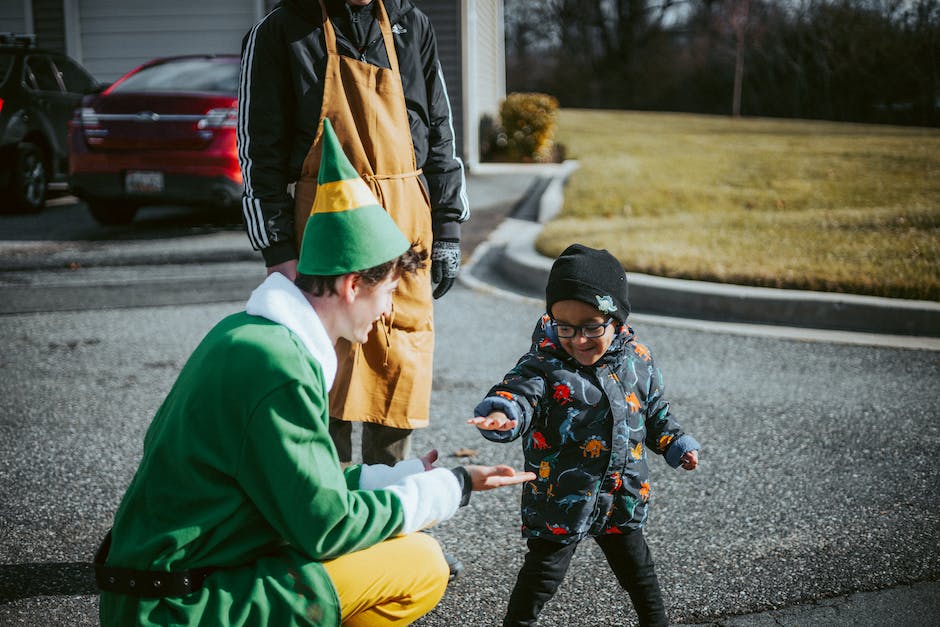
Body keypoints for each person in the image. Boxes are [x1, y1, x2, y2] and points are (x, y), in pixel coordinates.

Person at [94, 121, 532, 626]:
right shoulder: (278, 367)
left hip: (169, 584)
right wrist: (449, 487)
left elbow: (293, 480)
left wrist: (396, 476)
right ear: (351, 285)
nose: (388, 310)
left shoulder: (252, 336)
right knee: (420, 563)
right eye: (388, 290)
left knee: (395, 543)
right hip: (178, 605)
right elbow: (325, 527)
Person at [237, 0, 469, 467]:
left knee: (399, 365)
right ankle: (328, 508)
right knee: (327, 373)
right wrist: (278, 251)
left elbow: (440, 130)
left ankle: (388, 509)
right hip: (322, 226)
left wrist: (446, 227)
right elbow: (257, 151)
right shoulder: (281, 31)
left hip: (406, 222)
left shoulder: (411, 24)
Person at [468, 244, 701, 627]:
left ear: (617, 320)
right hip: (560, 501)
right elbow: (518, 394)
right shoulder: (542, 365)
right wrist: (504, 413)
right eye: (565, 328)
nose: (578, 340)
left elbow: (656, 415)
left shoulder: (637, 359)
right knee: (541, 578)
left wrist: (676, 444)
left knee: (639, 574)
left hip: (622, 494)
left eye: (592, 327)